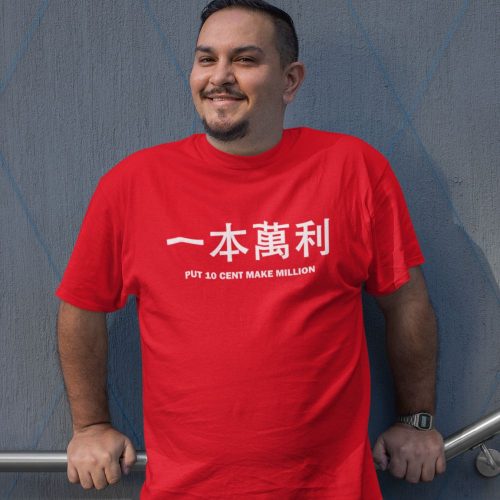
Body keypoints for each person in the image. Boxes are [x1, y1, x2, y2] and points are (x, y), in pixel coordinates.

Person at [55, 0, 446, 498]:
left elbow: (406, 301)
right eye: (206, 59)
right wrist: (90, 426)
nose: (219, 76)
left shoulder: (353, 169)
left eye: (244, 59)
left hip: (331, 488)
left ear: (289, 80)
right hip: (185, 489)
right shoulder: (133, 184)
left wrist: (416, 420)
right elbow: (82, 305)